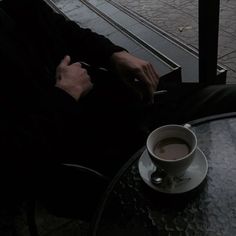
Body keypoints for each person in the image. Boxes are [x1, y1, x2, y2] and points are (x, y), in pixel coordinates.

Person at [0, 0, 236, 207]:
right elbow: (14, 164)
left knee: (226, 97)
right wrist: (65, 96)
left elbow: (61, 28)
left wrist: (113, 54)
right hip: (83, 159)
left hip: (127, 105)